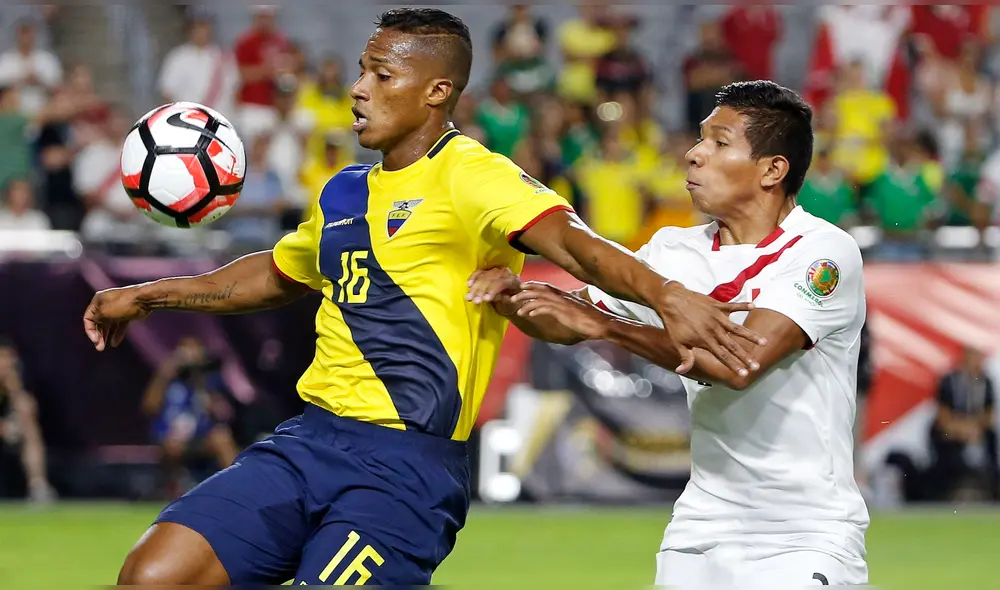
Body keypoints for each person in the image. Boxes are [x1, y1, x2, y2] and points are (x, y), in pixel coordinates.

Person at [83, 9, 763, 586]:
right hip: (307, 441)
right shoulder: (344, 190)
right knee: (151, 576)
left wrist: (670, 296)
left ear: (436, 92)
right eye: (361, 71)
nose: (358, 90)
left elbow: (576, 245)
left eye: (382, 75)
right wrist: (145, 297)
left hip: (404, 470)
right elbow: (276, 274)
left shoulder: (473, 174)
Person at [469, 81, 870, 587]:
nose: (694, 154)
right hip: (700, 527)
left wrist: (609, 327)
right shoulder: (672, 250)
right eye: (701, 139)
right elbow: (568, 320)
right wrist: (512, 296)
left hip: (804, 532)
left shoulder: (823, 253)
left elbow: (738, 365)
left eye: (720, 143)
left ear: (772, 169)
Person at [141, 337, 240, 500]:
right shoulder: (169, 382)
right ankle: (171, 490)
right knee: (172, 446)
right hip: (171, 437)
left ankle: (237, 488)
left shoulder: (208, 380)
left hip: (199, 437)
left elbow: (223, 414)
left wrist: (199, 375)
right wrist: (165, 373)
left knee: (222, 438)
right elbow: (149, 407)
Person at [927, 346, 998, 501]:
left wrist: (974, 429)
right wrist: (961, 430)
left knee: (991, 437)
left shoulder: (986, 382)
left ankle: (992, 489)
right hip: (952, 430)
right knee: (943, 439)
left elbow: (988, 415)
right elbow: (943, 416)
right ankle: (944, 491)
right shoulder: (949, 381)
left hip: (975, 430)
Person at [0, 338, 56, 502]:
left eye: (9, 358)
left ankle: (38, 487)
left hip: (9, 437)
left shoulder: (17, 381)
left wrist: (14, 390)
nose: (6, 364)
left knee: (31, 431)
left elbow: (29, 410)